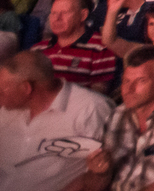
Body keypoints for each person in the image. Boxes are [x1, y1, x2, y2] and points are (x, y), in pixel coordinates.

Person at [72, 46, 154, 191]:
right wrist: (100, 173)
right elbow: (96, 185)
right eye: (126, 81)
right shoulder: (118, 114)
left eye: (141, 81)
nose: (129, 89)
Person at [0, 50, 113, 191]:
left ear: (26, 88)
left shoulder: (90, 109)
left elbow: (103, 170)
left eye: (2, 91)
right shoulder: (7, 110)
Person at [32, 0, 117, 93]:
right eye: (53, 13)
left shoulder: (100, 49)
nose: (57, 18)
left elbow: (99, 94)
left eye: (65, 12)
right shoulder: (38, 49)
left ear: (83, 15)